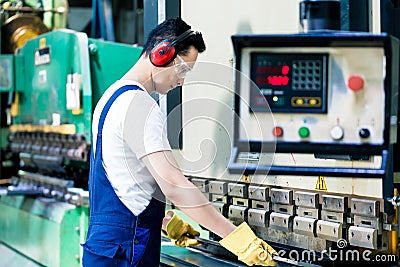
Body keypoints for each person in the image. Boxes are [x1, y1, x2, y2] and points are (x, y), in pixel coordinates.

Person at [81, 17, 277, 267]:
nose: (182, 81)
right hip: (126, 250)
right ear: (161, 53)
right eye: (183, 70)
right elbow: (174, 184)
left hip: (106, 247)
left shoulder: (111, 97)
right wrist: (237, 239)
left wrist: (164, 222)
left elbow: (124, 181)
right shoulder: (139, 105)